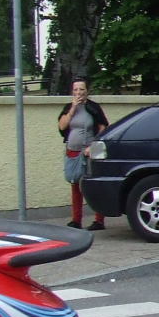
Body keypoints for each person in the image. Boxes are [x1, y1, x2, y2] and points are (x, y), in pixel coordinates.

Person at [58, 77, 109, 230]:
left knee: (95, 184)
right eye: (76, 90)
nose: (78, 92)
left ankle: (99, 220)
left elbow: (103, 128)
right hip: (73, 151)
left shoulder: (94, 108)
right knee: (75, 184)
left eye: (81, 89)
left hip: (91, 150)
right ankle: (76, 220)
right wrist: (73, 108)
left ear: (87, 91)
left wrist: (92, 147)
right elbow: (62, 126)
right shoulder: (68, 108)